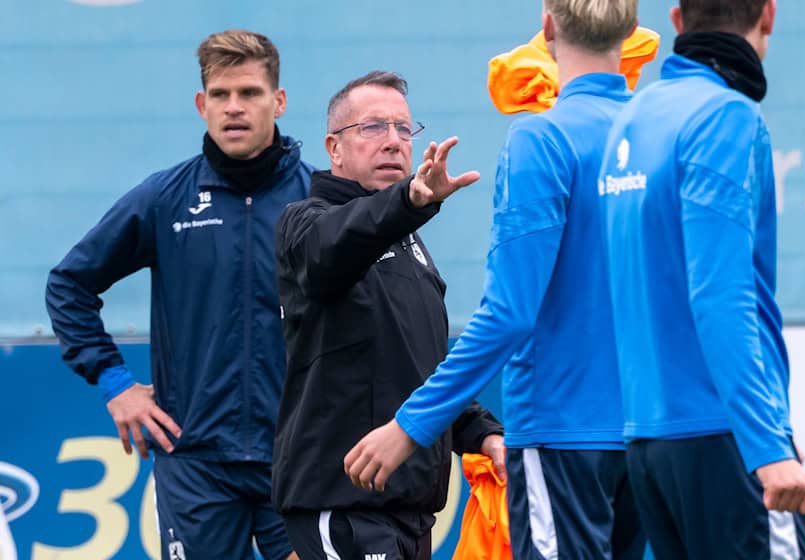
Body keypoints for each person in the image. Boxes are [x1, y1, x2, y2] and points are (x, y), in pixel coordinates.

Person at [343, 2, 648, 558]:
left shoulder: (542, 139)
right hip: (653, 436)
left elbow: (509, 313)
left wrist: (412, 424)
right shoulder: (660, 134)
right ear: (632, 32)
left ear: (549, 27)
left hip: (562, 437)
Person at [45, 29, 310, 560]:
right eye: (220, 95)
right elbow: (69, 284)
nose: (234, 108)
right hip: (196, 465)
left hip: (299, 457)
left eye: (250, 93)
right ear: (201, 104)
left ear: (278, 101)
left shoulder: (319, 199)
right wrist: (114, 382)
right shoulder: (166, 199)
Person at [597, 1, 805, 558]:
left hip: (648, 441)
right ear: (768, 15)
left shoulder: (633, 118)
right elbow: (721, 297)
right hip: (726, 438)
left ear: (678, 20)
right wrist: (767, 447)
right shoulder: (727, 116)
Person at [271, 70, 504, 560]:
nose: (394, 142)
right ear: (334, 149)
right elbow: (336, 245)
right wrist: (412, 200)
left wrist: (482, 434)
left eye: (404, 128)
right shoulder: (305, 223)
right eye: (373, 127)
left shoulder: (411, 247)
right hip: (344, 504)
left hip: (408, 509)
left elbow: (422, 374)